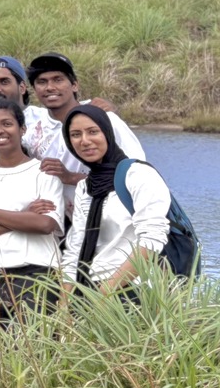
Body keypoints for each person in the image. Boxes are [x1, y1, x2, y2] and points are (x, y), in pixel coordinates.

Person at [0, 96, 66, 323]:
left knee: (37, 353)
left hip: (36, 273)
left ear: (22, 128)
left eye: (7, 124)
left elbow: (46, 224)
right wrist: (25, 216)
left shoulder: (44, 172)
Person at [60, 104, 174, 298]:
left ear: (108, 133)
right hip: (91, 289)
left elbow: (152, 239)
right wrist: (65, 304)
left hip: (136, 288)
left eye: (93, 132)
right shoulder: (86, 187)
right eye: (76, 135)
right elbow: (75, 249)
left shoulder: (138, 174)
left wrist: (107, 292)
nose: (85, 141)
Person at [25, 53, 147, 184]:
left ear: (74, 85)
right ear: (34, 89)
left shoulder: (107, 120)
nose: (50, 87)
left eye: (58, 79)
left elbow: (139, 173)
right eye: (42, 82)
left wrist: (71, 177)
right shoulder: (32, 134)